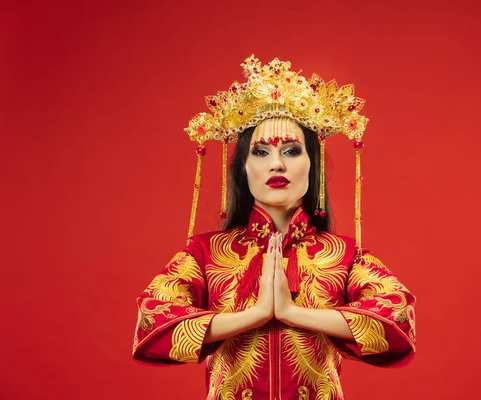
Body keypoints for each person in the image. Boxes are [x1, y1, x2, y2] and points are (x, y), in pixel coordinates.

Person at [132, 55, 416, 400]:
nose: (277, 164)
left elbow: (396, 316)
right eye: (261, 152)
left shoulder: (343, 255)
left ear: (314, 164)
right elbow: (153, 322)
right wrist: (254, 315)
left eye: (293, 151)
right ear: (243, 167)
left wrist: (293, 313)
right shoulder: (206, 253)